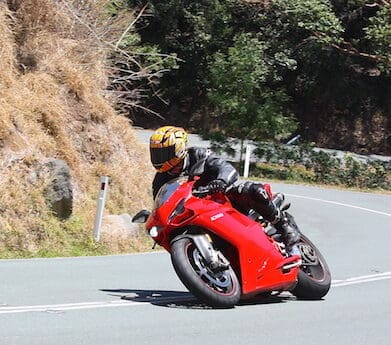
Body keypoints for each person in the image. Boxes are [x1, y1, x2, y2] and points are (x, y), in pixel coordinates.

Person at [149, 125, 300, 254]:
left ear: (179, 149)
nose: (160, 157)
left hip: (221, 198)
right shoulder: (160, 179)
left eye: (164, 153)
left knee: (253, 191)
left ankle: (284, 227)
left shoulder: (199, 155)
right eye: (156, 153)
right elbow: (161, 200)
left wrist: (220, 181)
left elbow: (225, 167)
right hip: (194, 211)